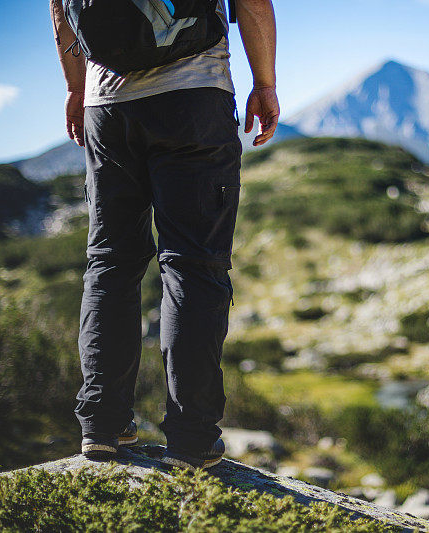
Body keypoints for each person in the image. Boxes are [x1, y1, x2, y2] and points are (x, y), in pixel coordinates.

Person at [49, 0, 278, 469]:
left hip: (106, 107)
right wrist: (265, 83)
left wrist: (76, 88)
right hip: (193, 96)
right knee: (193, 265)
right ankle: (191, 439)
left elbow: (60, 9)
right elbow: (253, 3)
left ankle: (102, 424)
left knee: (110, 263)